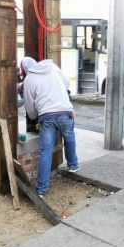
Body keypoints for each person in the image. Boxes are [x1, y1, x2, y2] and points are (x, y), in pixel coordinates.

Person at [20, 57, 79, 197]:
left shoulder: (29, 79)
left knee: (45, 151)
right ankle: (73, 165)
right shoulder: (52, 67)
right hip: (65, 111)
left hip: (47, 117)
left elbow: (29, 106)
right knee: (69, 138)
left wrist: (34, 116)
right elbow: (66, 84)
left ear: (24, 69)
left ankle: (41, 189)